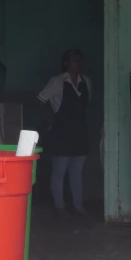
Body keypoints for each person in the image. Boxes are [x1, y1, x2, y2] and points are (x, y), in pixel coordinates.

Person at [37, 49, 92, 216]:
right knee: (59, 170)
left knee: (77, 171)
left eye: (79, 60)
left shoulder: (86, 82)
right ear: (66, 63)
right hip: (61, 132)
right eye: (74, 60)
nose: (78, 63)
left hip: (80, 132)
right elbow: (40, 100)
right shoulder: (57, 82)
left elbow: (86, 104)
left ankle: (78, 206)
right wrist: (51, 119)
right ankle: (60, 206)